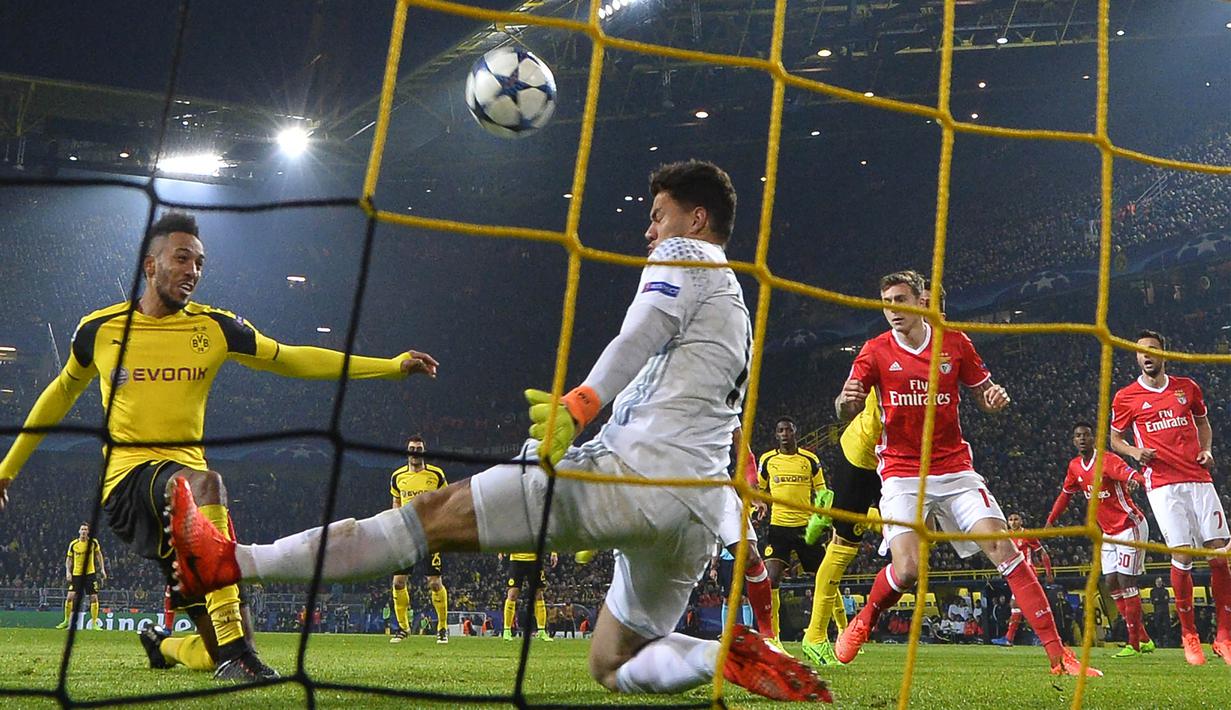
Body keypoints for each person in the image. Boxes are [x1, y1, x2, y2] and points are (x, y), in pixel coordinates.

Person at [168, 160, 830, 702]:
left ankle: (231, 560)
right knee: (612, 661)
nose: (649, 231)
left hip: (629, 472)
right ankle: (721, 654)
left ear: (697, 218)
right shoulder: (733, 302)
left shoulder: (685, 254)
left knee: (423, 518)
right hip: (691, 509)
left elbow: (639, 333)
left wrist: (579, 402)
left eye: (656, 216)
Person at [0, 211, 437, 681]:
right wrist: (6, 469)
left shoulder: (214, 328)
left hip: (188, 503)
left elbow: (293, 358)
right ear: (150, 266)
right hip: (130, 485)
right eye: (182, 258)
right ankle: (240, 659)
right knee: (205, 485)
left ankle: (166, 645)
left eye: (200, 263)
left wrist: (389, 366)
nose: (192, 271)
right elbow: (61, 392)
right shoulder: (100, 330)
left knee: (217, 642)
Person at [832, 269, 1098, 677]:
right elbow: (845, 408)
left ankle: (1059, 655)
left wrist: (994, 399)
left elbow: (985, 395)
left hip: (954, 468)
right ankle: (865, 617)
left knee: (1003, 549)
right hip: (902, 473)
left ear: (922, 302)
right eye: (886, 302)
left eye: (900, 300)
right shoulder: (874, 351)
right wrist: (844, 402)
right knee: (907, 570)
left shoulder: (954, 343)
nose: (892, 310)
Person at [1110, 329, 1231, 665]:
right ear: (1136, 357)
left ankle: (1225, 637)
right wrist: (1135, 452)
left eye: (1151, 350)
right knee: (1183, 557)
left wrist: (1206, 450)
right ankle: (1189, 635)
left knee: (1220, 554)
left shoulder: (1186, 387)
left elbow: (1203, 423)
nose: (1146, 355)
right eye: (1140, 351)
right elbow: (1115, 440)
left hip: (1199, 478)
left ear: (1163, 353)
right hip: (1163, 485)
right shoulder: (1126, 397)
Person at [1046, 421, 1155, 657]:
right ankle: (1144, 638)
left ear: (1093, 438)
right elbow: (1065, 495)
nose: (1082, 438)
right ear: (1074, 441)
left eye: (1086, 435)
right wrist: (1051, 520)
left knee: (1127, 582)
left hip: (1129, 526)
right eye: (1078, 436)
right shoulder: (1075, 467)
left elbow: (1129, 474)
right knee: (1111, 584)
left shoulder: (1107, 460)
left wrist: (1138, 480)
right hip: (1107, 532)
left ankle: (1134, 645)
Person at [757, 416, 827, 648]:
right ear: (776, 435)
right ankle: (773, 638)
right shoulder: (767, 460)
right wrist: (760, 503)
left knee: (825, 578)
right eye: (780, 430)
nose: (785, 434)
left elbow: (823, 491)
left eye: (788, 429)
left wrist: (821, 516)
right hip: (779, 527)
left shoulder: (809, 459)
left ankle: (829, 631)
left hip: (806, 528)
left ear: (795, 432)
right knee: (771, 579)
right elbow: (759, 489)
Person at [388, 435, 449, 645]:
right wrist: (396, 519)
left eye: (419, 448)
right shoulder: (397, 476)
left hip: (430, 535)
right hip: (406, 536)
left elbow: (446, 500)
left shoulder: (436, 475)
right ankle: (403, 629)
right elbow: (396, 500)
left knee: (434, 583)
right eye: (412, 448)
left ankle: (442, 628)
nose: (415, 451)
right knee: (398, 582)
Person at [991, 513, 1055, 647]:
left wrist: (1049, 572)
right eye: (1010, 519)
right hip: (1015, 574)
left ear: (1021, 521)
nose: (1013, 522)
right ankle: (1013, 637)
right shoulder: (1007, 536)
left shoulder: (1027, 534)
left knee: (1016, 604)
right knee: (1021, 605)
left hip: (1027, 573)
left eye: (1016, 519)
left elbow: (1042, 553)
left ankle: (1011, 638)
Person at [499, 551, 557, 641]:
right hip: (516, 559)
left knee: (538, 595)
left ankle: (541, 631)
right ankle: (507, 630)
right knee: (512, 594)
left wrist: (553, 553)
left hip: (534, 559)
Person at [58, 523, 106, 630]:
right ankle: (66, 620)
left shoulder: (93, 542)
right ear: (79, 531)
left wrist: (102, 569)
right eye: (82, 529)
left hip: (90, 574)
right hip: (77, 574)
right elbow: (69, 559)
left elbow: (99, 555)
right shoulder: (73, 544)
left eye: (85, 529)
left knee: (93, 597)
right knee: (70, 597)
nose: (84, 531)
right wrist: (68, 572)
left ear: (88, 532)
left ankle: (94, 623)